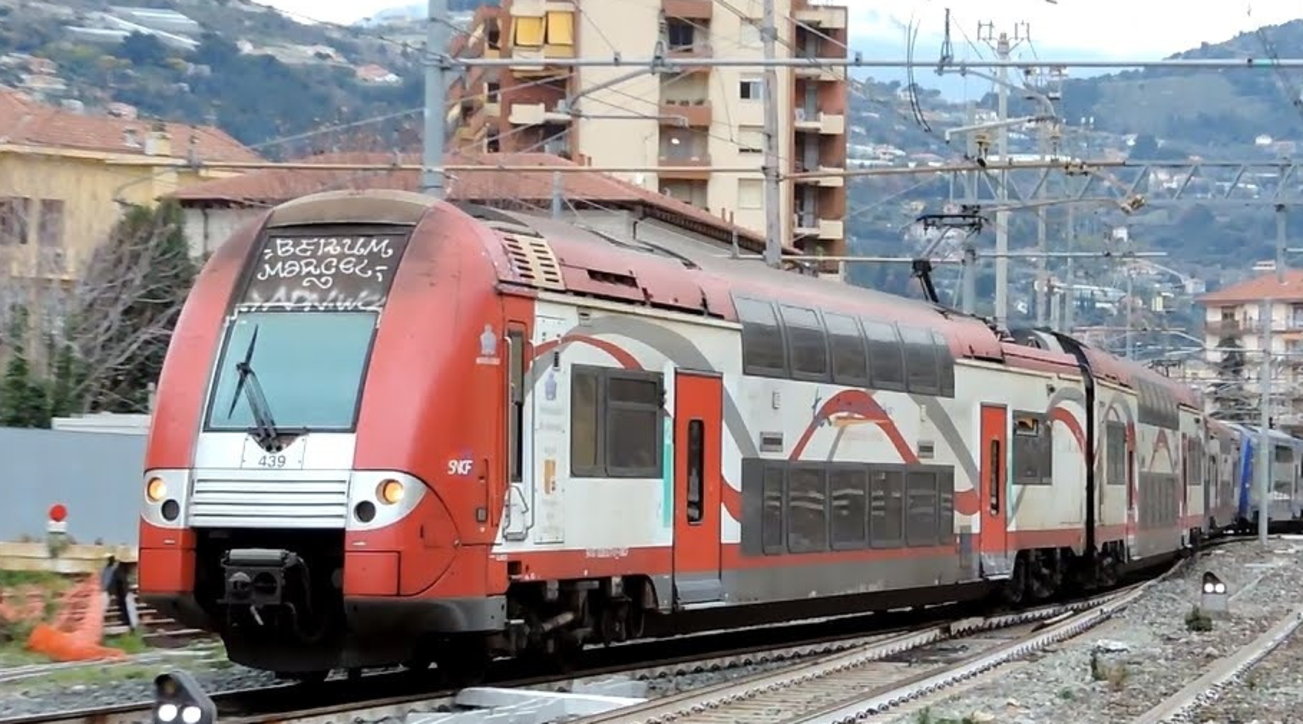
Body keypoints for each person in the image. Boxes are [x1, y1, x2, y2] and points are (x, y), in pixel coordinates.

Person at [101, 555, 139, 633]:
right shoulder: (116, 571)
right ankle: (134, 626)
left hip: (116, 591)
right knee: (130, 608)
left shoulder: (109, 570)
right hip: (121, 592)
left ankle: (133, 625)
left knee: (128, 608)